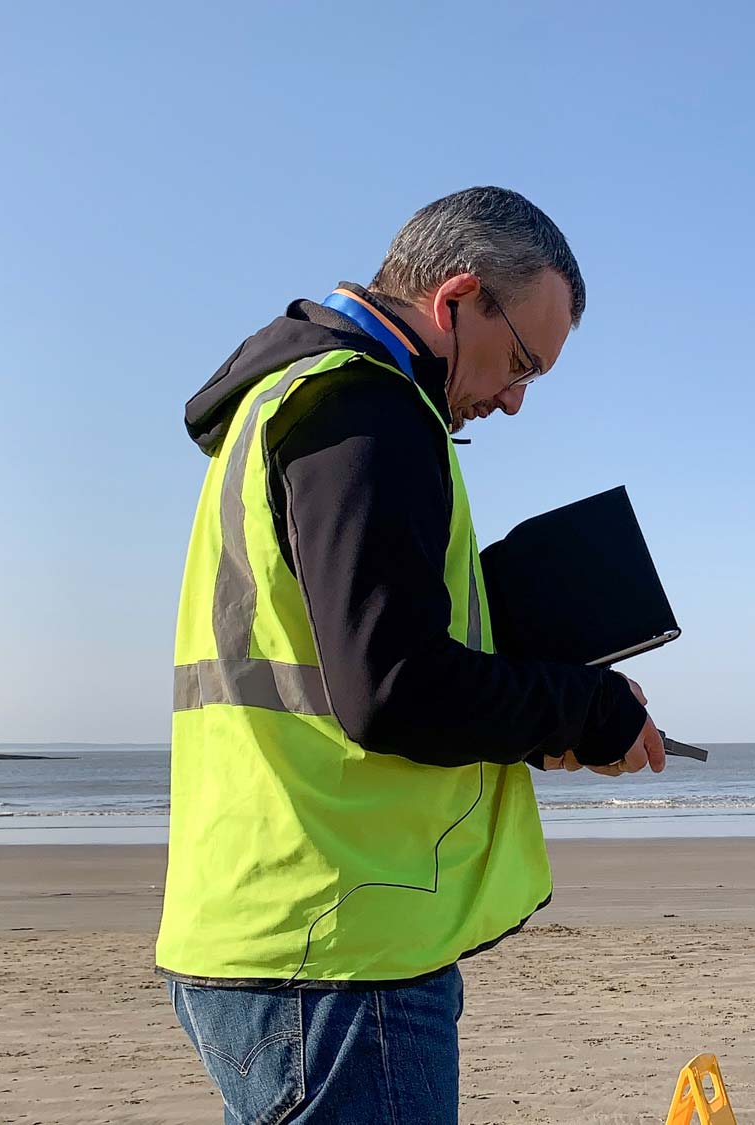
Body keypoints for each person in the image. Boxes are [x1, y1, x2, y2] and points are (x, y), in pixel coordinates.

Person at [158, 186, 665, 1124]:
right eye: (519, 362)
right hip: (340, 948)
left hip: (262, 923)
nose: (514, 400)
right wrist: (581, 707)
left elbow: (354, 660)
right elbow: (394, 689)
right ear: (458, 297)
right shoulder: (367, 410)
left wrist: (543, 690)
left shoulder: (293, 404)